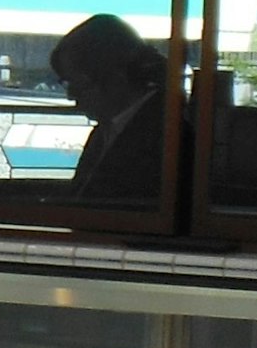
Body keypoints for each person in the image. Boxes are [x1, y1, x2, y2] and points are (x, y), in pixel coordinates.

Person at [50, 14, 169, 206]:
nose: (71, 95)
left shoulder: (164, 135)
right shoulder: (110, 127)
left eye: (78, 83)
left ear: (115, 77)